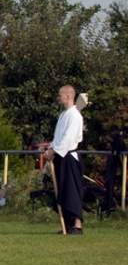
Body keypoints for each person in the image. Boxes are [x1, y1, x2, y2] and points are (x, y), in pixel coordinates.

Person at [44, 85, 85, 234]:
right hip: (61, 156)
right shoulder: (63, 115)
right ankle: (67, 225)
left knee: (72, 190)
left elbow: (68, 138)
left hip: (70, 158)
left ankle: (77, 225)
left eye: (59, 95)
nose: (58, 97)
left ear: (68, 96)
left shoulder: (74, 115)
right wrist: (51, 150)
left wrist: (55, 150)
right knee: (63, 191)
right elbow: (58, 137)